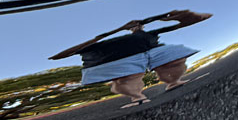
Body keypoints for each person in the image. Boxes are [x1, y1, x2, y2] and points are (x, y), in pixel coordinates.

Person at [49, 9, 212, 106]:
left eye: (138, 24)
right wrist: (118, 29)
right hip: (114, 59)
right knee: (129, 77)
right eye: (133, 26)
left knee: (177, 56)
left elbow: (202, 18)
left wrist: (177, 15)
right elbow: (58, 56)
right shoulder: (107, 38)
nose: (136, 26)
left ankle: (173, 81)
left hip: (150, 52)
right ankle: (137, 96)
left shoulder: (149, 33)